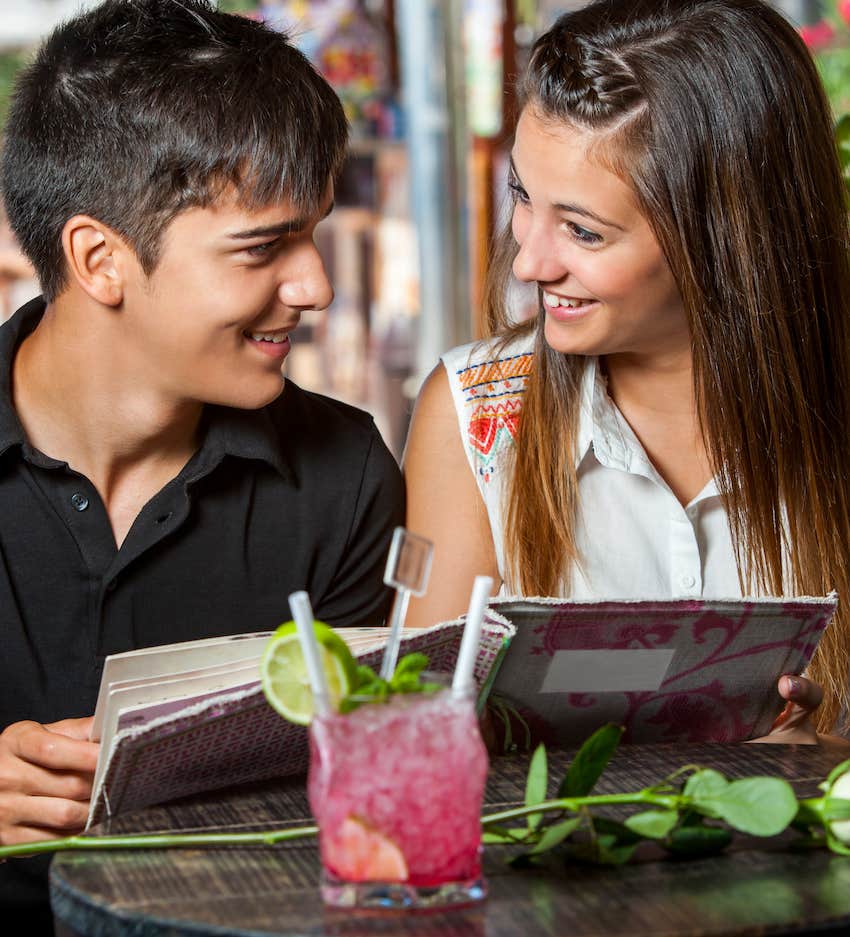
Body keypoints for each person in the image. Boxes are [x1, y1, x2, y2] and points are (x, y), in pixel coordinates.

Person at [0, 0, 403, 929]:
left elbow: (364, 805)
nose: (315, 286)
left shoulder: (342, 477)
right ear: (99, 259)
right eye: (263, 247)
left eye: (313, 233)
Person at [404, 0, 850, 745]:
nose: (529, 263)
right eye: (523, 196)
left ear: (727, 236)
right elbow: (418, 738)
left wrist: (825, 761)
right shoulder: (476, 415)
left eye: (583, 230)